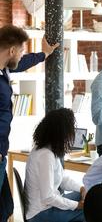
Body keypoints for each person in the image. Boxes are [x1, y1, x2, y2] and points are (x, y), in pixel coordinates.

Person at [0, 25, 58, 220]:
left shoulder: (4, 69)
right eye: (21, 50)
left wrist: (44, 54)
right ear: (12, 51)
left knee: (6, 208)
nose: (22, 55)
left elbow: (21, 63)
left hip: (1, 150)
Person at [25, 108, 85, 222]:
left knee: (88, 197)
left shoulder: (48, 149)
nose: (71, 134)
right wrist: (77, 206)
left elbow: (62, 178)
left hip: (47, 207)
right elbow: (48, 197)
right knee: (90, 210)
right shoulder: (45, 155)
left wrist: (82, 189)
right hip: (40, 214)